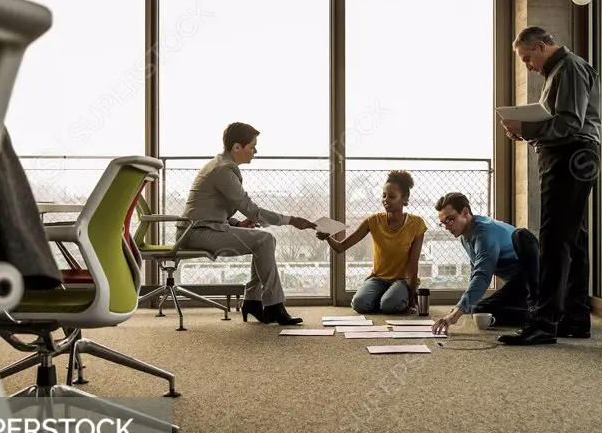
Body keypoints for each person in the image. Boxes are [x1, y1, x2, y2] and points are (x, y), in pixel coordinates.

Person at [498, 26, 601, 345]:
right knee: (574, 238)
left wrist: (528, 129)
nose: (527, 66)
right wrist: (527, 131)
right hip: (575, 154)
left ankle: (544, 323)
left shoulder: (568, 67)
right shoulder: (563, 70)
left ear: (542, 46)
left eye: (527, 58)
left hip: (570, 155)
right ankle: (574, 317)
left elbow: (569, 121)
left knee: (555, 238)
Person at [176, 122, 316, 325]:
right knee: (265, 239)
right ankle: (273, 306)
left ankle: (253, 301)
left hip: (201, 228)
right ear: (237, 148)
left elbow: (209, 208)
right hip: (197, 233)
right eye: (252, 146)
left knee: (263, 243)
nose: (255, 150)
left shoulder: (220, 164)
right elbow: (252, 209)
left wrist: (237, 224)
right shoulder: (223, 170)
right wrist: (291, 220)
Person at [430, 192, 541, 336]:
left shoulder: (484, 233)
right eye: (443, 223)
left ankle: (542, 317)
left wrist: (455, 315)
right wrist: (462, 307)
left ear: (464, 212)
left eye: (450, 219)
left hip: (535, 280)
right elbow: (475, 271)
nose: (447, 227)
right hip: (517, 284)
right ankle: (536, 313)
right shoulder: (465, 236)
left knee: (479, 310)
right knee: (479, 310)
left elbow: (482, 276)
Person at [318, 170, 427, 315]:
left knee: (389, 306)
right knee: (359, 304)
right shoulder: (373, 221)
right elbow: (341, 247)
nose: (386, 200)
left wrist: (413, 301)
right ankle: (384, 299)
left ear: (405, 199)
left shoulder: (417, 223)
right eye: (384, 195)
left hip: (403, 280)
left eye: (392, 196)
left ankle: (393, 299)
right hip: (378, 278)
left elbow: (414, 264)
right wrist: (327, 237)